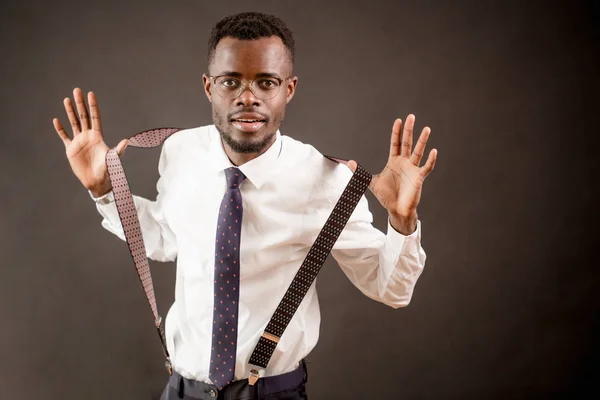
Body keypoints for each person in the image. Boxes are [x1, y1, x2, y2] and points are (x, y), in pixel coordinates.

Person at [52, 11, 437, 400]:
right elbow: (167, 238)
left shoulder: (328, 181)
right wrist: (104, 189)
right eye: (230, 81)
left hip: (273, 393)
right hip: (181, 390)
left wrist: (402, 220)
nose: (247, 96)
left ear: (289, 89)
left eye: (266, 82)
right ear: (208, 87)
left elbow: (391, 289)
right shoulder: (179, 152)